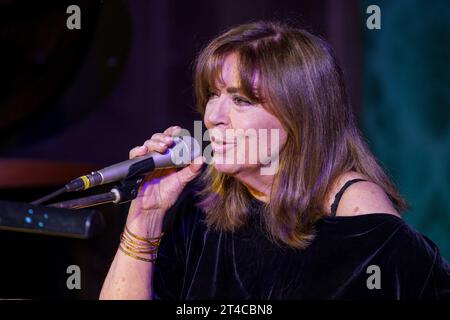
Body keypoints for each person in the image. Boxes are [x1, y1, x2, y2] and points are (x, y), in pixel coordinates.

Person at [99, 21, 450, 299]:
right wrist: (146, 217)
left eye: (241, 101)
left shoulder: (357, 213)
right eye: (213, 95)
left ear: (297, 117)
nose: (213, 117)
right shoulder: (203, 208)